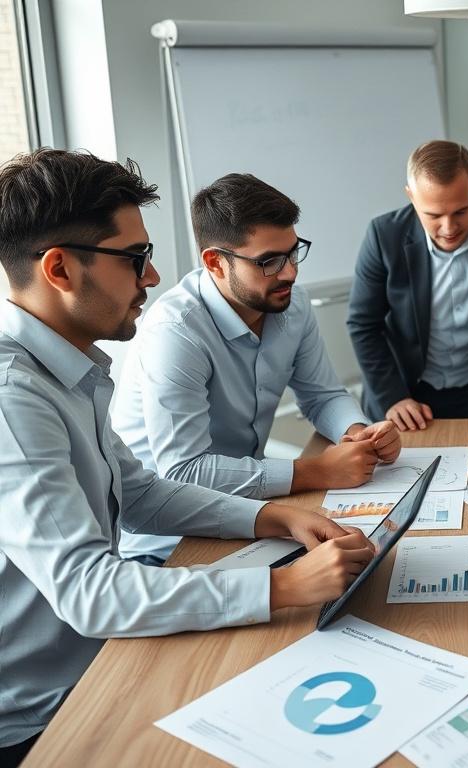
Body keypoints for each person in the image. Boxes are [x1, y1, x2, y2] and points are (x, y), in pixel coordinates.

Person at [0, 150, 374, 763]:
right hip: (42, 712)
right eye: (135, 258)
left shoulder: (67, 368)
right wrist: (279, 586)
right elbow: (91, 592)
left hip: (98, 656)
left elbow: (141, 492)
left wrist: (274, 519)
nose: (151, 277)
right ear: (60, 269)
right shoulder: (14, 401)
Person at [112, 173, 399, 564]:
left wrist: (361, 435)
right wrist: (314, 472)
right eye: (269, 261)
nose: (290, 273)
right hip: (169, 547)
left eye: (293, 252)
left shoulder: (291, 305)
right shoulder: (175, 332)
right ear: (215, 262)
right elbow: (185, 473)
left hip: (255, 519)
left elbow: (323, 395)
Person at [347, 140, 468, 432]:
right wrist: (393, 398)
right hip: (404, 394)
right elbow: (363, 324)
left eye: (461, 211)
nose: (449, 228)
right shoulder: (383, 235)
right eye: (433, 216)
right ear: (411, 196)